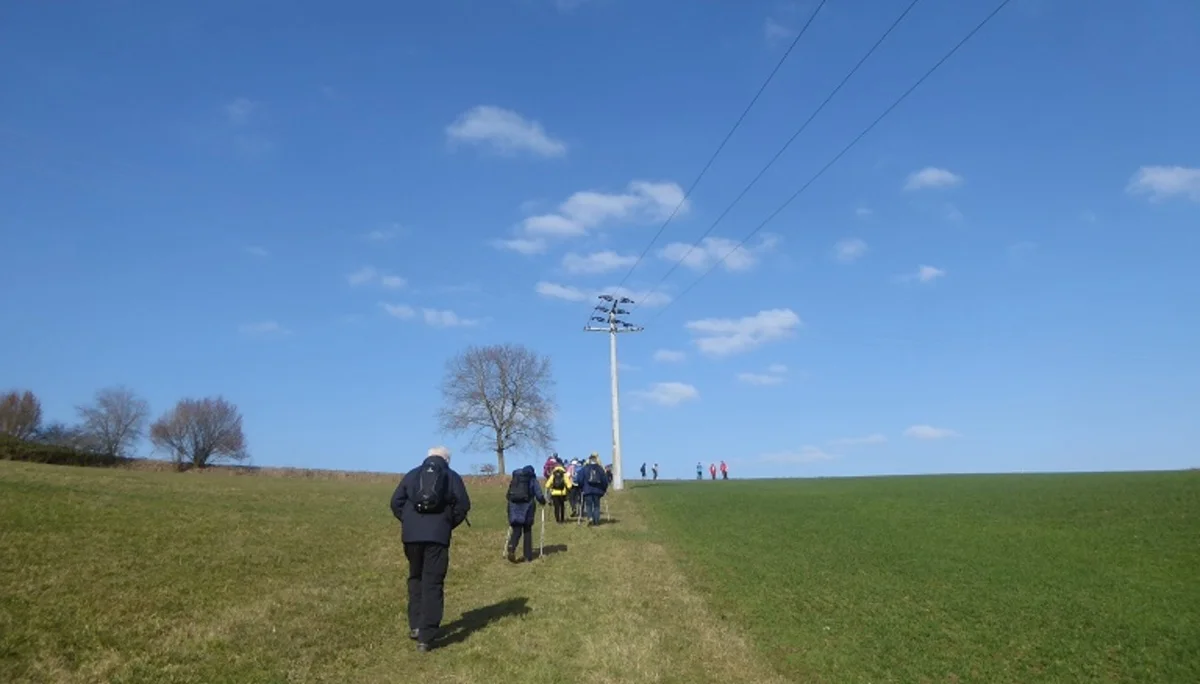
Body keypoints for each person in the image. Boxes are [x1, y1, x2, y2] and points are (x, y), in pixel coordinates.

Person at [390, 446, 472, 653]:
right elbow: (463, 505)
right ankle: (426, 636)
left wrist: (408, 521)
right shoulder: (452, 476)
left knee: (415, 577)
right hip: (437, 536)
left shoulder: (412, 474)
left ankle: (416, 625)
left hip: (411, 537)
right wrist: (446, 523)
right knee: (433, 582)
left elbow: (396, 501)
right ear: (447, 460)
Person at [506, 465, 546, 563]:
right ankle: (528, 556)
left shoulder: (515, 479)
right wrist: (543, 502)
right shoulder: (532, 479)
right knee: (527, 531)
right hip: (528, 508)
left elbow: (508, 495)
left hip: (513, 507)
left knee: (516, 529)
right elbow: (539, 494)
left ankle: (511, 546)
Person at [580, 453, 608, 526]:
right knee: (596, 506)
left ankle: (590, 518)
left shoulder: (585, 468)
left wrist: (581, 487)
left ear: (589, 460)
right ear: (596, 460)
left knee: (588, 505)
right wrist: (604, 489)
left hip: (587, 490)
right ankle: (596, 521)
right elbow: (605, 480)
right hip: (597, 490)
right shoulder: (600, 468)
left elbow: (580, 479)